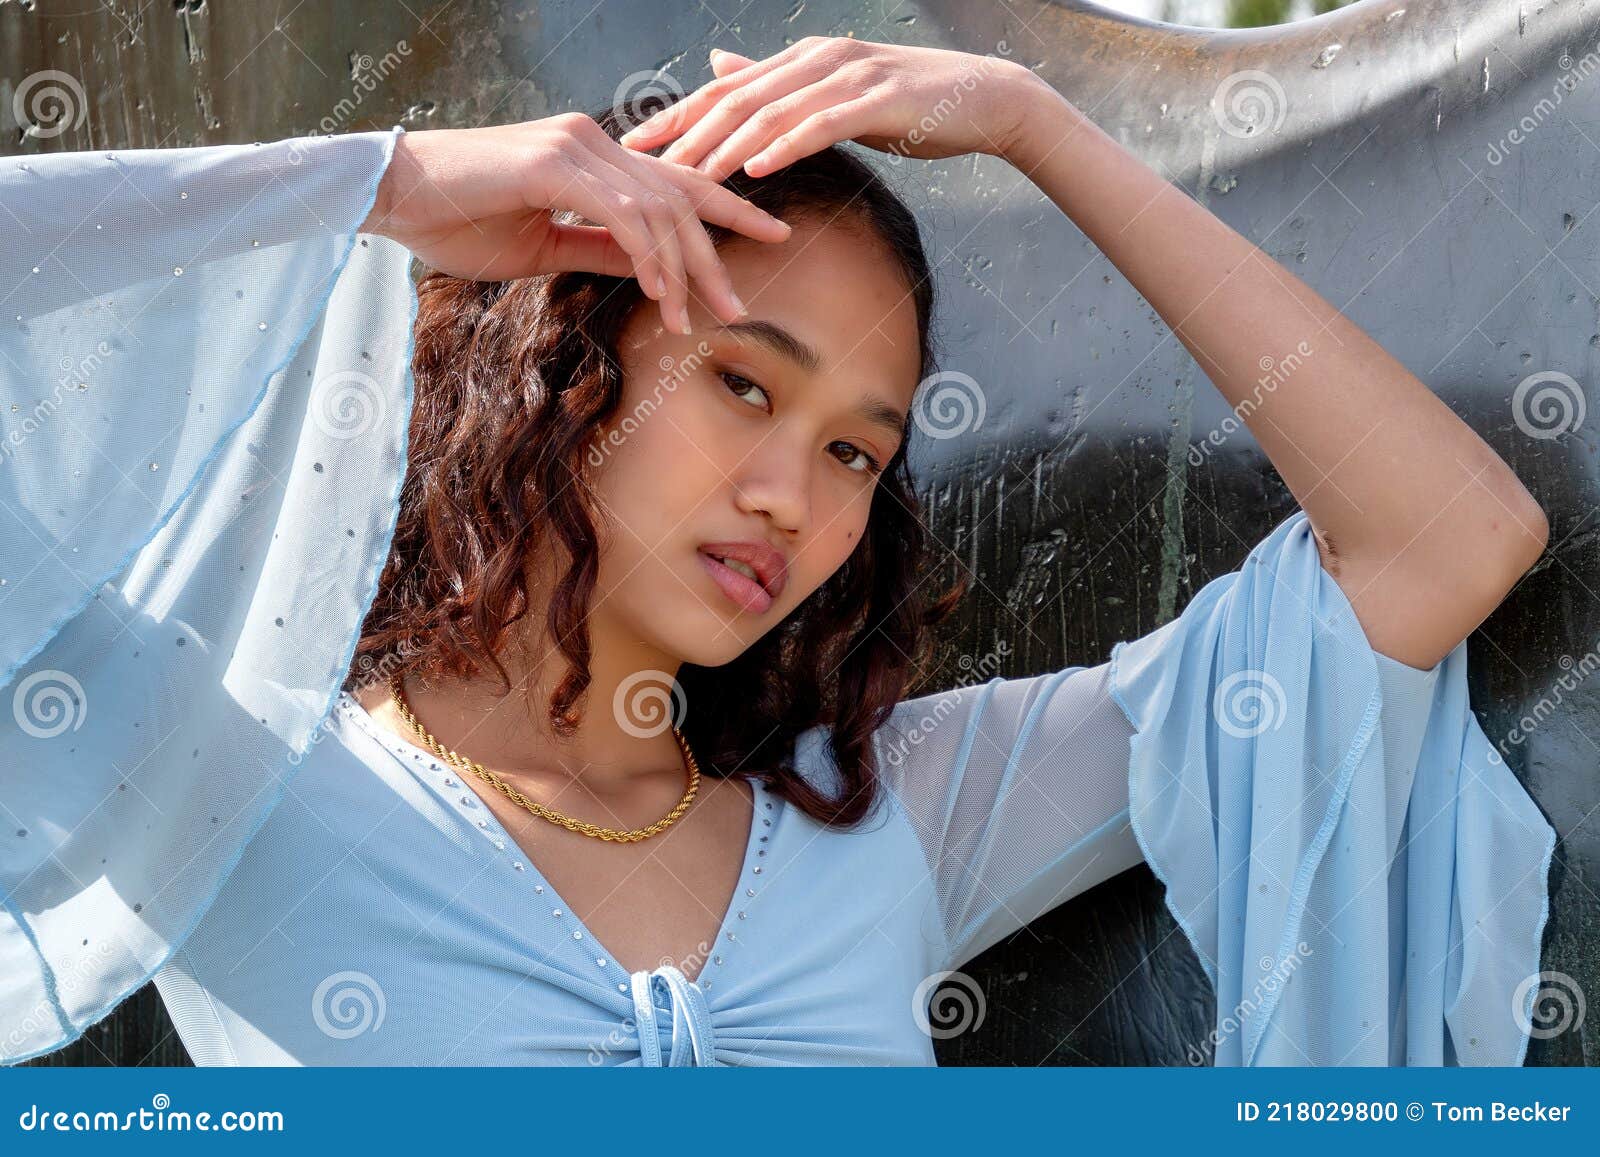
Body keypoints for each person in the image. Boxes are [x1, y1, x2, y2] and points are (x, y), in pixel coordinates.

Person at [0, 37, 1556, 1067]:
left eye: (857, 453)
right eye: (745, 381)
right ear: (565, 350)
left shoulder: (888, 815)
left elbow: (1448, 541)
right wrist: (395, 188)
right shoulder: (222, 767)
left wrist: (1032, 122)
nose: (793, 498)